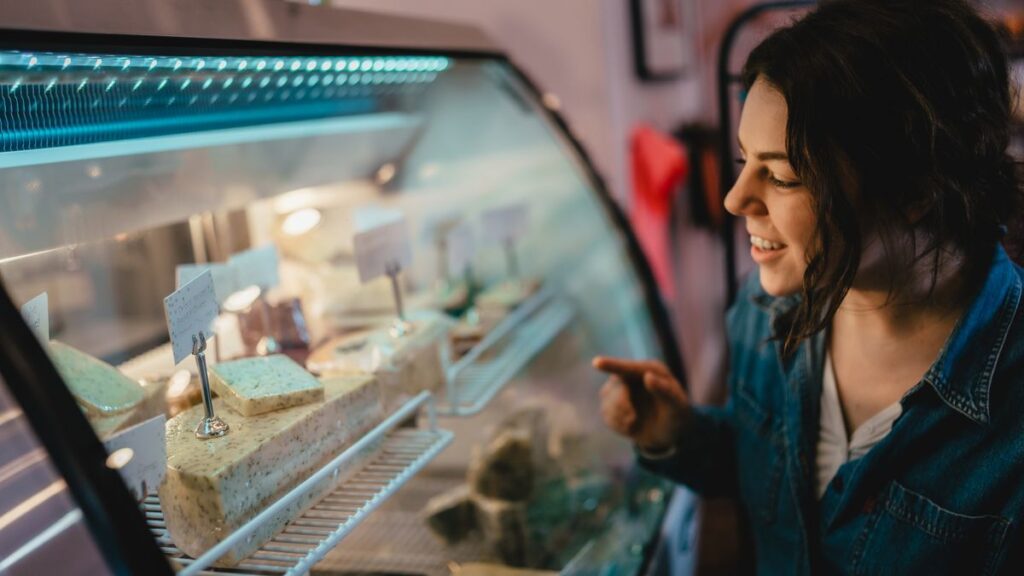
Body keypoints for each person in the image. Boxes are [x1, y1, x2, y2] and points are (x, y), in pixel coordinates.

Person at [595, 0, 1024, 573]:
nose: (734, 199)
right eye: (745, 160)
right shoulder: (764, 307)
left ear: (918, 186)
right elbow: (776, 467)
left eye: (783, 175)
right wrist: (681, 435)